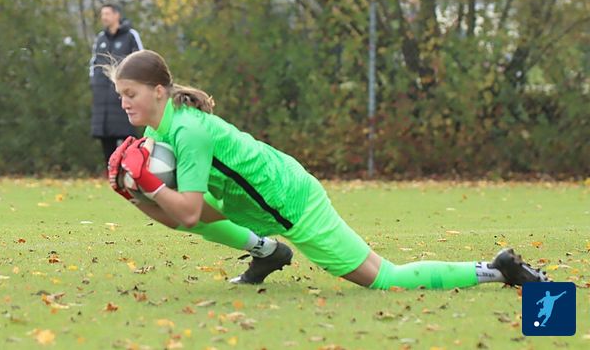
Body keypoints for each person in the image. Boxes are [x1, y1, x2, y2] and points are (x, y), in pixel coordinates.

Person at [106, 49, 549, 290]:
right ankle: (267, 252)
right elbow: (180, 216)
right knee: (193, 213)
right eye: (120, 95)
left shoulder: (188, 131)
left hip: (292, 203)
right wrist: (133, 194)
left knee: (385, 279)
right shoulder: (158, 131)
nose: (124, 103)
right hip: (259, 199)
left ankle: (497, 269)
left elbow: (185, 211)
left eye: (131, 93)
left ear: (159, 91)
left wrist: (146, 182)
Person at [90, 3, 143, 161]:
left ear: (116, 15)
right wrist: (95, 83)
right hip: (102, 99)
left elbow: (140, 60)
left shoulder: (130, 35)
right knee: (105, 139)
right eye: (102, 14)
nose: (104, 17)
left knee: (126, 141)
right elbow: (93, 63)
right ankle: (110, 172)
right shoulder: (100, 38)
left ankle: (128, 172)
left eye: (107, 14)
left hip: (121, 97)